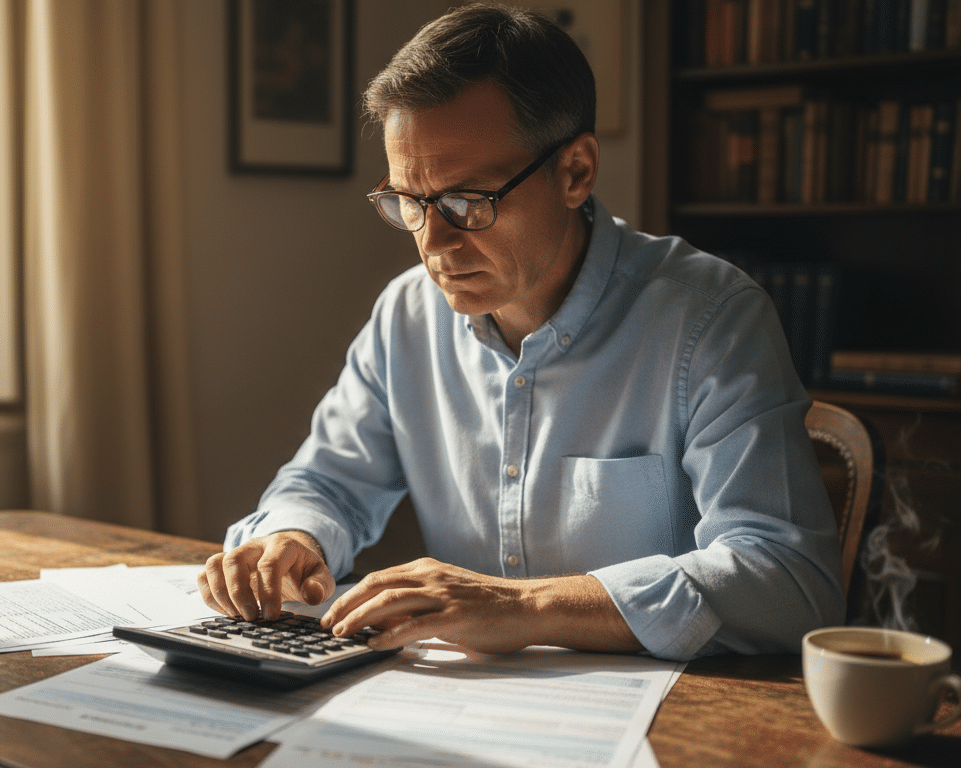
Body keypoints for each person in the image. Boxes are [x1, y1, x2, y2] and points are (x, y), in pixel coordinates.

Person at [197, 3, 844, 662]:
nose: (434, 243)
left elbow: (790, 581)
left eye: (467, 200)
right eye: (409, 203)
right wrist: (293, 536)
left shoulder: (711, 320)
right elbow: (328, 484)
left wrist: (527, 607)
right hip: (463, 714)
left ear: (576, 173)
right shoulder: (407, 317)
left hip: (664, 724)